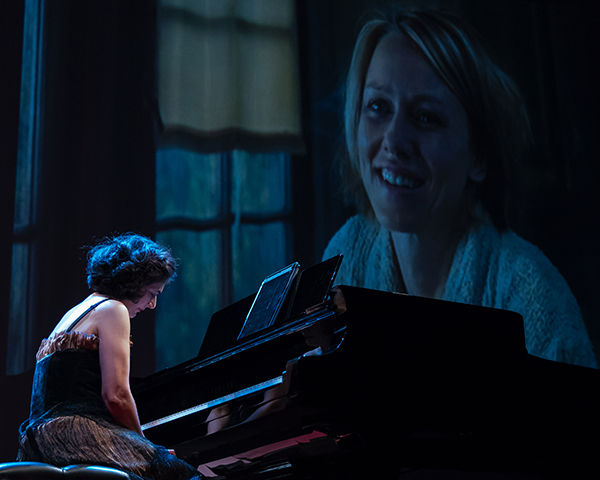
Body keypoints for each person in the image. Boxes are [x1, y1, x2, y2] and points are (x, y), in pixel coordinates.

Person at [323, 6, 597, 368]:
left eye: (426, 117)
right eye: (378, 106)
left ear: (478, 156)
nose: (394, 140)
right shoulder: (347, 256)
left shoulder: (530, 295)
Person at [17, 234, 206, 480]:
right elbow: (116, 395)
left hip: (38, 443)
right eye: (152, 293)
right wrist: (149, 448)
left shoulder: (76, 312)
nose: (152, 304)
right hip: (75, 435)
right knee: (182, 475)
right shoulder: (113, 309)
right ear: (135, 283)